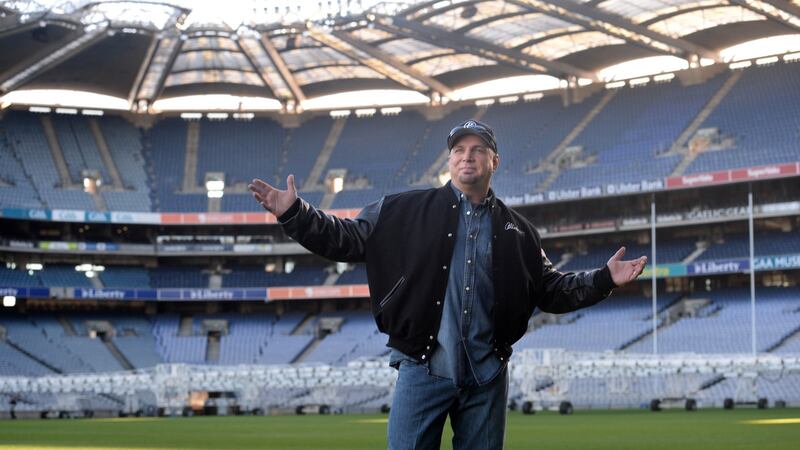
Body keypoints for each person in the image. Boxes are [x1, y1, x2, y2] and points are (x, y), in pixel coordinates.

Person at [249, 119, 647, 450]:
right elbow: (345, 237)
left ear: (495, 161)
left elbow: (551, 289)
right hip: (422, 367)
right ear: (449, 160)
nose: (467, 156)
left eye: (477, 150)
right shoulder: (402, 210)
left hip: (486, 375)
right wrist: (296, 215)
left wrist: (603, 279)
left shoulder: (520, 232)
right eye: (459, 150)